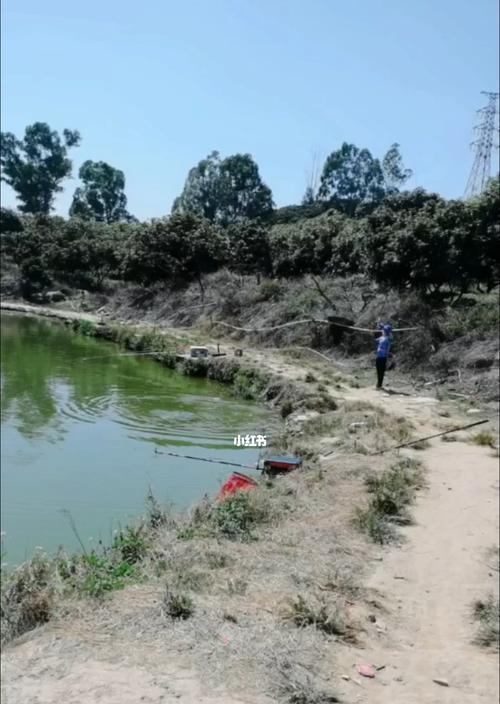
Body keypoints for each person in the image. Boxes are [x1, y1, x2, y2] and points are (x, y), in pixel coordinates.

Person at [375, 324, 393, 389]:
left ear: (385, 332)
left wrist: (387, 358)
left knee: (381, 371)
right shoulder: (381, 337)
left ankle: (379, 385)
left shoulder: (388, 339)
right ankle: (378, 383)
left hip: (383, 357)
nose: (382, 331)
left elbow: (388, 349)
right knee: (378, 370)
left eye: (383, 330)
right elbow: (375, 339)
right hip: (378, 356)